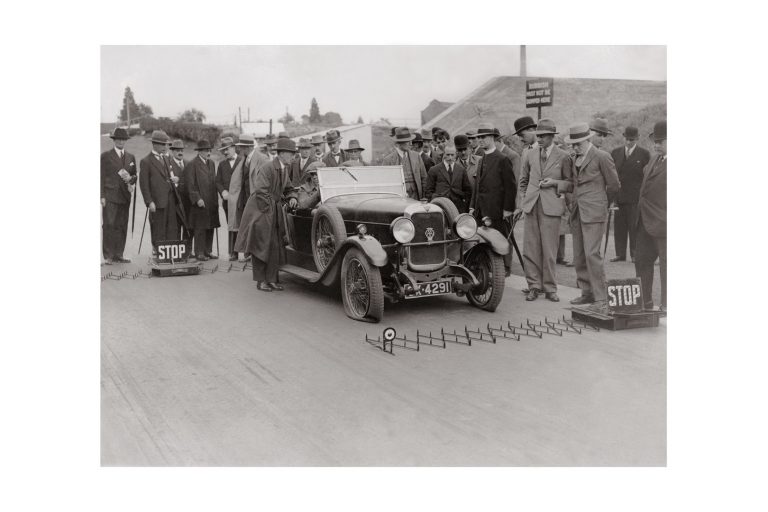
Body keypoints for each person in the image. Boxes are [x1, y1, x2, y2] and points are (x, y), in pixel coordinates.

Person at [515, 119, 573, 302]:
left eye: (543, 136)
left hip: (551, 208)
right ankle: (534, 286)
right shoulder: (529, 154)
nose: (539, 139)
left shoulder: (563, 156)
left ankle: (550, 288)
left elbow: (571, 184)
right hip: (532, 206)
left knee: (549, 250)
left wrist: (555, 183)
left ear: (552, 137)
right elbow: (522, 180)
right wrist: (524, 199)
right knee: (530, 248)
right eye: (538, 135)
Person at [563, 122, 620, 309]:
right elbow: (574, 183)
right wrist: (556, 185)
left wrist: (603, 204)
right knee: (579, 255)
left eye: (578, 143)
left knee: (592, 254)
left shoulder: (602, 156)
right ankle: (586, 292)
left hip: (595, 213)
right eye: (573, 143)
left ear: (588, 140)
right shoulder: (574, 158)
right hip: (578, 212)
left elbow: (614, 185)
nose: (574, 147)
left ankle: (601, 297)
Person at [235, 138, 299, 292]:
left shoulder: (283, 169)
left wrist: (292, 197)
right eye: (291, 154)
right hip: (260, 211)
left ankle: (271, 279)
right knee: (261, 245)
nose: (293, 157)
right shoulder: (268, 167)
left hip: (272, 210)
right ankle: (261, 281)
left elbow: (289, 188)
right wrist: (271, 210)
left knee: (274, 246)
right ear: (282, 154)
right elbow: (261, 191)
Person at [469, 123, 517, 276]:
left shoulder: (502, 159)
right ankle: (489, 272)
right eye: (479, 138)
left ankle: (503, 272)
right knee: (484, 243)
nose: (480, 140)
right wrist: (472, 206)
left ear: (492, 138)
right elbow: (478, 186)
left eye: (483, 137)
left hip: (497, 211)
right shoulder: (482, 159)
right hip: (481, 210)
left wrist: (508, 209)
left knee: (500, 242)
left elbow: (511, 187)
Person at [634, 121, 667, 312]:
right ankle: (645, 302)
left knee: (667, 267)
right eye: (655, 141)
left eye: (661, 141)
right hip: (645, 223)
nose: (656, 144)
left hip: (665, 225)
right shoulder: (655, 159)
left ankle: (667, 305)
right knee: (642, 262)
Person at [610, 126, 650, 262]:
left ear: (637, 138)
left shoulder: (644, 154)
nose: (628, 142)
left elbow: (647, 176)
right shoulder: (615, 153)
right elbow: (611, 175)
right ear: (623, 137)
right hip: (619, 197)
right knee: (619, 227)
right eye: (627, 139)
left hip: (635, 198)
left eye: (632, 139)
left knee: (634, 227)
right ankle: (620, 254)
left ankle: (634, 254)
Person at [139, 130, 182, 253]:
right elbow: (144, 185)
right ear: (154, 144)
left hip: (170, 199)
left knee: (171, 227)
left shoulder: (167, 159)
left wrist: (175, 180)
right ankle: (157, 251)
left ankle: (169, 253)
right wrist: (149, 201)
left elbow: (169, 177)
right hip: (157, 202)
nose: (165, 147)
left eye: (166, 144)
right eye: (163, 144)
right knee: (158, 227)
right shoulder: (146, 161)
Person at [101, 127, 137, 264]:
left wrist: (131, 181)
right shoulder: (105, 156)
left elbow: (134, 175)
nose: (121, 141)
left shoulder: (130, 157)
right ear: (114, 140)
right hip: (110, 196)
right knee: (109, 224)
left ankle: (119, 254)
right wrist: (102, 196)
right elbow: (100, 176)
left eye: (123, 139)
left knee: (122, 225)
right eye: (118, 139)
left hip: (125, 197)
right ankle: (108, 255)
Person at [186, 140, 220, 261]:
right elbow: (190, 185)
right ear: (199, 151)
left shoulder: (211, 163)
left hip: (211, 200)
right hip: (200, 202)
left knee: (210, 226)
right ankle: (199, 252)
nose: (208, 152)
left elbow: (213, 181)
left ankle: (208, 250)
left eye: (209, 150)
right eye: (206, 150)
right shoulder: (192, 164)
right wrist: (197, 198)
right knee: (200, 227)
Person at [381, 127, 428, 200]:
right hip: (398, 201)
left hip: (417, 198)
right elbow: (385, 184)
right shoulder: (388, 160)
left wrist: (424, 196)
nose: (411, 143)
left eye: (410, 141)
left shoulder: (416, 156)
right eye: (407, 141)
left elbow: (424, 178)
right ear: (399, 143)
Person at [425, 144, 473, 213]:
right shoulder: (434, 170)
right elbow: (428, 191)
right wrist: (434, 201)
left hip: (458, 208)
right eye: (447, 154)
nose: (450, 157)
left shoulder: (461, 170)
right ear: (443, 154)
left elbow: (467, 190)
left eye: (452, 155)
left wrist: (464, 205)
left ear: (456, 155)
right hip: (440, 207)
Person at [216, 136, 238, 260]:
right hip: (227, 201)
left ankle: (247, 253)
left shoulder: (242, 161)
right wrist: (223, 191)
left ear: (234, 148)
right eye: (223, 150)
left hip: (240, 201)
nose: (225, 152)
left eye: (227, 149)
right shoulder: (222, 164)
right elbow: (217, 181)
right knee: (231, 225)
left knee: (243, 225)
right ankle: (232, 252)